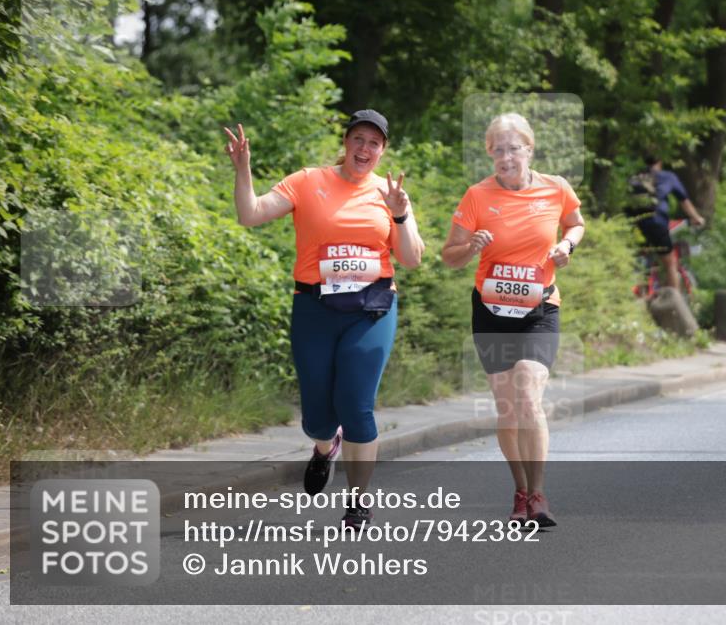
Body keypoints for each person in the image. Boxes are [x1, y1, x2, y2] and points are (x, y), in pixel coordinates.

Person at [223, 109, 424, 529]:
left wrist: (401, 216)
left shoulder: (389, 195)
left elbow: (411, 259)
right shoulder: (308, 180)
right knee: (317, 414)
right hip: (314, 306)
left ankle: (358, 503)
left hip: (371, 308)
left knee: (356, 404)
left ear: (382, 150)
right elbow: (251, 214)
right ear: (346, 142)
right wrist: (243, 170)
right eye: (358, 139)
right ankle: (323, 446)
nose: (364, 149)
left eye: (374, 143)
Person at [441, 113, 585, 528]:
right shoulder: (477, 196)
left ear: (529, 149)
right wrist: (470, 246)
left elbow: (576, 223)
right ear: (489, 153)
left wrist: (566, 245)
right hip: (491, 311)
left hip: (540, 308)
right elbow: (449, 256)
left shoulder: (555, 188)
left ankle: (538, 494)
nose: (506, 157)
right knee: (507, 409)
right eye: (497, 149)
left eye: (513, 148)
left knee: (527, 391)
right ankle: (520, 490)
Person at [630, 156, 705, 293]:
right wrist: (697, 218)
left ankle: (640, 295)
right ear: (659, 162)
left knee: (644, 260)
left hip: (635, 224)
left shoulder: (636, 177)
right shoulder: (668, 177)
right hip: (657, 222)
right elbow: (684, 201)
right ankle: (673, 302)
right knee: (670, 262)